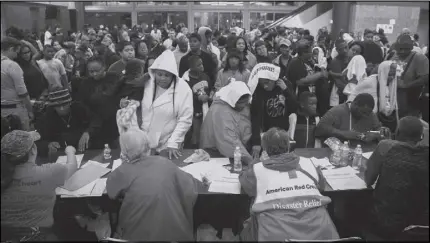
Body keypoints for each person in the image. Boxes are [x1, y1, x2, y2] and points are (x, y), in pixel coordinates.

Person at [239, 127, 339, 241]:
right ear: (289, 146)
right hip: (321, 233)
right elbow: (321, 185)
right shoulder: (309, 163)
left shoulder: (257, 170)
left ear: (265, 149)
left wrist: (257, 161)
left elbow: (245, 185)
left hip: (274, 235)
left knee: (245, 229)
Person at [106, 129, 205, 241]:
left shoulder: (123, 171)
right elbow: (190, 186)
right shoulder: (165, 162)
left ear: (124, 152)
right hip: (175, 237)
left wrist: (125, 163)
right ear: (148, 147)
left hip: (138, 238)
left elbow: (111, 192)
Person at [1, 130, 78, 242]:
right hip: (38, 237)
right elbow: (72, 166)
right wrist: (70, 151)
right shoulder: (49, 172)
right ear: (33, 151)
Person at [118, 50, 193, 158]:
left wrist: (174, 142)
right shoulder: (148, 83)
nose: (162, 78)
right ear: (154, 72)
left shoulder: (183, 89)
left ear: (173, 75)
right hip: (144, 139)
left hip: (168, 142)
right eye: (160, 74)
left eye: (167, 75)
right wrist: (125, 104)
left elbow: (185, 119)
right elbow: (136, 103)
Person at [364, 116, 429, 240]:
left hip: (386, 224)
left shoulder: (385, 146)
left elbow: (368, 180)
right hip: (420, 224)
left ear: (397, 133)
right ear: (421, 136)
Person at [76, 57, 122, 151]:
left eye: (97, 70)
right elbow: (83, 105)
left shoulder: (115, 78)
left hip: (115, 121)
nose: (94, 74)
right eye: (91, 71)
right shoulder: (85, 83)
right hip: (96, 123)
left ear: (104, 67)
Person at [200, 81, 253, 164]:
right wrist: (250, 160)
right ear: (234, 99)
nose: (243, 106)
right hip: (216, 154)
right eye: (242, 103)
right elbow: (230, 140)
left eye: (245, 103)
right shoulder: (221, 110)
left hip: (235, 151)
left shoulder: (234, 104)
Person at [250, 73, 298, 159]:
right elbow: (255, 119)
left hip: (282, 134)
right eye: (262, 83)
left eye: (267, 82)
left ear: (275, 80)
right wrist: (256, 142)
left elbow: (294, 108)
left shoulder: (284, 87)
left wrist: (286, 90)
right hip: (265, 136)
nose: (265, 86)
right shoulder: (257, 92)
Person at [315, 93, 383, 148]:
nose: (365, 116)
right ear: (354, 104)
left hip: (363, 153)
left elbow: (381, 131)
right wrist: (343, 133)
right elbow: (319, 129)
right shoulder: (336, 111)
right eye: (363, 112)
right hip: (340, 153)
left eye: (368, 113)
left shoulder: (370, 114)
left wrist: (375, 134)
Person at [287, 39, 330, 116]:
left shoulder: (307, 61)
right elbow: (300, 82)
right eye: (310, 52)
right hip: (301, 100)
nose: (312, 54)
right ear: (304, 53)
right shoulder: (295, 62)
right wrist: (320, 74)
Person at [1, 37, 34, 131]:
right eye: (16, 52)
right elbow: (22, 92)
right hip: (15, 110)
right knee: (22, 140)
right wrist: (30, 111)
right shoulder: (12, 65)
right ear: (11, 49)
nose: (16, 55)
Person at [395, 34, 429, 119]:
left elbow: (425, 78)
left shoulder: (420, 58)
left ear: (411, 48)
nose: (402, 51)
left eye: (405, 49)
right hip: (393, 98)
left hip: (411, 98)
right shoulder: (393, 56)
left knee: (408, 123)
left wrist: (406, 85)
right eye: (400, 49)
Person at [182, 55, 211, 148]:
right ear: (191, 67)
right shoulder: (186, 81)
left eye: (202, 64)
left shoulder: (205, 76)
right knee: (195, 134)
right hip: (194, 111)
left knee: (205, 133)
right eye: (198, 65)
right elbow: (185, 96)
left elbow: (211, 88)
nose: (202, 66)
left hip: (205, 109)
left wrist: (210, 95)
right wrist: (198, 98)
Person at [328, 39, 350, 107]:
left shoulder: (353, 58)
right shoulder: (335, 61)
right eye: (341, 49)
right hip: (342, 95)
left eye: (346, 47)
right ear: (337, 50)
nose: (345, 51)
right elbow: (339, 83)